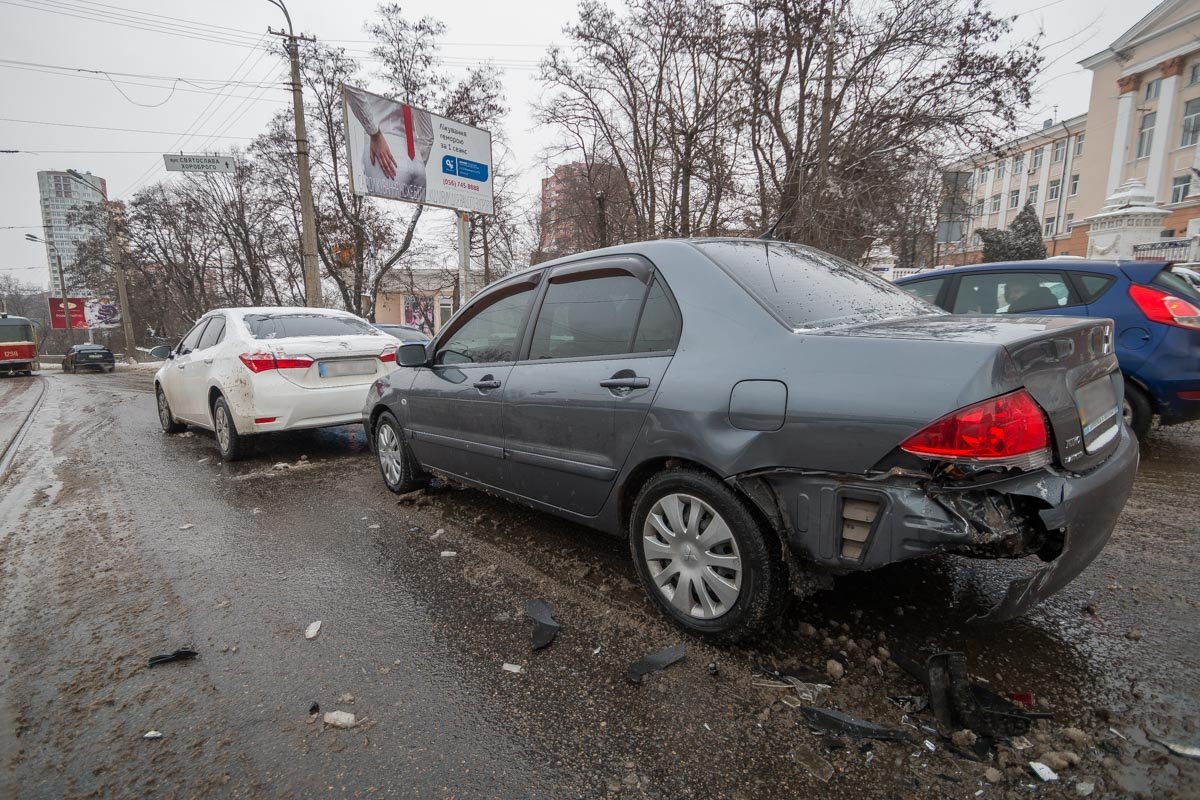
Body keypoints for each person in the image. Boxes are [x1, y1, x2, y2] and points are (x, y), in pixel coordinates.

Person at [345, 86, 434, 201]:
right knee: (417, 217)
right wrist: (417, 161)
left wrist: (374, 133)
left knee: (385, 215)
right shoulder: (416, 87)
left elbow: (352, 90)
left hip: (384, 151)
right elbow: (428, 136)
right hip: (416, 157)